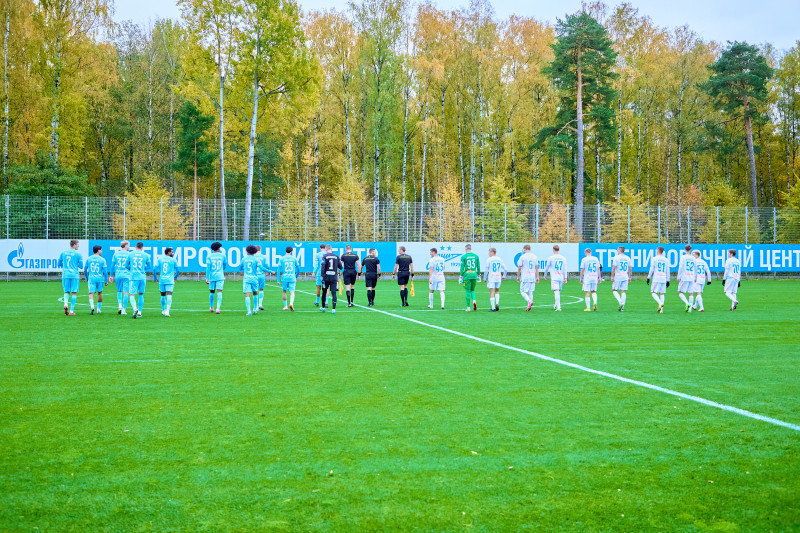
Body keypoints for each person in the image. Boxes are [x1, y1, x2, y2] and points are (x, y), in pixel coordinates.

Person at [57, 240, 83, 316]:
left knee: (66, 291)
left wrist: (65, 265)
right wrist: (75, 264)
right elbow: (81, 266)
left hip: (65, 275)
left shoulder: (63, 253)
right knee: (74, 292)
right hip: (74, 275)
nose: (78, 246)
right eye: (77, 244)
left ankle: (65, 304)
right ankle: (71, 311)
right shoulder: (78, 254)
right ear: (74, 245)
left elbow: (59, 264)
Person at [127, 242, 152, 319]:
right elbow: (149, 266)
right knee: (141, 294)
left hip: (133, 277)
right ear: (142, 247)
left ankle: (135, 308)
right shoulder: (146, 255)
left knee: (131, 294)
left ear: (135, 246)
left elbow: (126, 265)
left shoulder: (130, 254)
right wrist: (143, 269)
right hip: (142, 277)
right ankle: (140, 312)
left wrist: (132, 269)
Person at [153, 247, 179, 317]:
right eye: (172, 252)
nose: (173, 253)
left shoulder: (160, 259)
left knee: (162, 295)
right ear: (168, 252)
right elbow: (178, 270)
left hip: (162, 280)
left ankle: (163, 310)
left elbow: (154, 269)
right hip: (170, 280)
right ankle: (167, 311)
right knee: (169, 295)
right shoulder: (173, 260)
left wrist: (155, 278)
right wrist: (175, 277)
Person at [240, 245, 265, 316]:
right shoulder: (256, 259)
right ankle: (255, 308)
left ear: (247, 251)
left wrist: (244, 270)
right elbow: (261, 267)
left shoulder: (244, 259)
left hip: (247, 278)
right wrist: (269, 271)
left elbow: (240, 268)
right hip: (254, 278)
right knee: (255, 292)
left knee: (247, 294)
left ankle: (249, 311)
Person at [84, 245, 108, 315]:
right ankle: (98, 309)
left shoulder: (89, 259)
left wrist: (87, 278)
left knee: (91, 293)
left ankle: (92, 306)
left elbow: (85, 270)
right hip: (100, 279)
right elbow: (105, 272)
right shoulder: (102, 259)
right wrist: (106, 281)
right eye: (101, 250)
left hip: (91, 278)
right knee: (99, 293)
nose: (101, 251)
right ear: (98, 251)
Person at [110, 240, 131, 314]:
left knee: (119, 291)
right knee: (126, 292)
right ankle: (124, 310)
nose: (129, 247)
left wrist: (111, 275)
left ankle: (119, 305)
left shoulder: (116, 254)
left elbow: (112, 265)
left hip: (118, 275)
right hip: (126, 275)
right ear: (126, 245)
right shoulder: (129, 254)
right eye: (128, 245)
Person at [647, 246, 670, 314]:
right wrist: (668, 280)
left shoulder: (654, 259)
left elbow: (652, 269)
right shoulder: (666, 260)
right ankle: (661, 309)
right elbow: (668, 270)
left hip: (656, 278)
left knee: (653, 292)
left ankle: (660, 303)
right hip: (663, 278)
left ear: (657, 251)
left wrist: (648, 277)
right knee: (662, 293)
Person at [516, 244, 539, 312]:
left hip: (525, 276)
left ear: (525, 249)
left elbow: (519, 267)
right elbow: (536, 268)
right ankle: (529, 306)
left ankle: (529, 301)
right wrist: (537, 277)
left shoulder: (523, 257)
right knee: (530, 291)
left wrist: (518, 276)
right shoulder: (534, 256)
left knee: (522, 291)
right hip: (532, 276)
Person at [544, 245, 567, 312]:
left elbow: (547, 267)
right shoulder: (563, 258)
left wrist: (545, 274)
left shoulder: (551, 258)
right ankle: (556, 305)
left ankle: (559, 307)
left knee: (556, 291)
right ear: (558, 250)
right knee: (558, 291)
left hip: (554, 277)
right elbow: (565, 268)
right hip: (561, 277)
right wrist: (565, 278)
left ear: (553, 250)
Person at [320, 244, 342, 314]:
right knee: (333, 292)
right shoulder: (336, 256)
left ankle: (323, 307)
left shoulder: (324, 256)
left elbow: (323, 266)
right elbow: (341, 267)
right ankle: (333, 309)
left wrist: (322, 276)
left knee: (324, 292)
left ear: (326, 249)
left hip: (326, 277)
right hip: (334, 277)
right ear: (331, 249)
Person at [205, 242, 227, 314]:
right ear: (219, 248)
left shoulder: (209, 256)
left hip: (212, 276)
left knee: (212, 292)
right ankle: (218, 308)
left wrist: (207, 278)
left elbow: (208, 268)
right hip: (220, 276)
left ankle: (211, 307)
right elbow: (225, 265)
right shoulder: (223, 256)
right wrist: (221, 269)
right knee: (219, 292)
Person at [459, 244, 480, 312]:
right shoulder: (476, 256)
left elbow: (462, 267)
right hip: (474, 274)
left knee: (467, 291)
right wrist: (478, 275)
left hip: (467, 275)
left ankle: (468, 307)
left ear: (465, 249)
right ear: (470, 248)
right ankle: (474, 301)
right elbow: (478, 266)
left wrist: (461, 276)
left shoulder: (464, 257)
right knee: (473, 290)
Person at [278, 246, 299, 311]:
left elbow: (278, 269)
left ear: (285, 251)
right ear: (291, 251)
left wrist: (278, 279)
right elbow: (298, 268)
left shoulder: (282, 259)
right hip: (292, 276)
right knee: (292, 292)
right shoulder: (294, 259)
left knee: (284, 291)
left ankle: (285, 306)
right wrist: (296, 275)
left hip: (284, 277)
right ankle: (291, 304)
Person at [484, 248, 506, 312]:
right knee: (497, 291)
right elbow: (505, 269)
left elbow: (486, 270)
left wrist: (485, 278)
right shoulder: (500, 259)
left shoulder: (489, 259)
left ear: (492, 252)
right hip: (498, 277)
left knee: (491, 292)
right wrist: (504, 276)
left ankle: (493, 308)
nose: (488, 253)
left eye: (489, 252)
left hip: (492, 277)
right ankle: (497, 303)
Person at [611, 246, 631, 312]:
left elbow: (614, 268)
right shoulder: (627, 258)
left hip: (618, 276)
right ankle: (622, 307)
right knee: (623, 291)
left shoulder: (616, 257)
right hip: (625, 276)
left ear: (619, 250)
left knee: (614, 290)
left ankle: (620, 302)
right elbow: (630, 268)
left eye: (618, 250)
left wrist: (612, 276)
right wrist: (630, 277)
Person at [677, 244, 697, 312]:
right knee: (691, 293)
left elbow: (681, 267)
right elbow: (695, 268)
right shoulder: (693, 258)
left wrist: (678, 276)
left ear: (685, 250)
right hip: (691, 277)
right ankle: (690, 309)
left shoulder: (683, 257)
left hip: (684, 277)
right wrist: (695, 277)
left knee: (680, 292)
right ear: (690, 250)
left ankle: (687, 303)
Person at [254, 245, 269, 311]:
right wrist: (267, 271)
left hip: (255, 275)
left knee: (255, 290)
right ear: (260, 249)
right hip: (262, 275)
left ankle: (256, 306)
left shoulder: (253, 256)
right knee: (261, 289)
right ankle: (260, 304)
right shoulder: (263, 257)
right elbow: (267, 266)